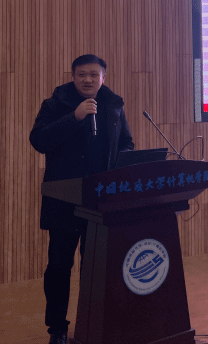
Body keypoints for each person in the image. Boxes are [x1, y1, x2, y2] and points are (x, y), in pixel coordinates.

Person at [30, 54, 134, 344]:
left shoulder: (113, 105)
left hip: (101, 201)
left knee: (95, 267)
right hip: (63, 201)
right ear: (73, 76)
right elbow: (39, 140)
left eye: (93, 75)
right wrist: (74, 117)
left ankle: (94, 321)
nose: (87, 80)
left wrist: (120, 165)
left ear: (103, 77)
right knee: (59, 266)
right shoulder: (55, 104)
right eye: (81, 75)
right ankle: (57, 328)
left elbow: (126, 142)